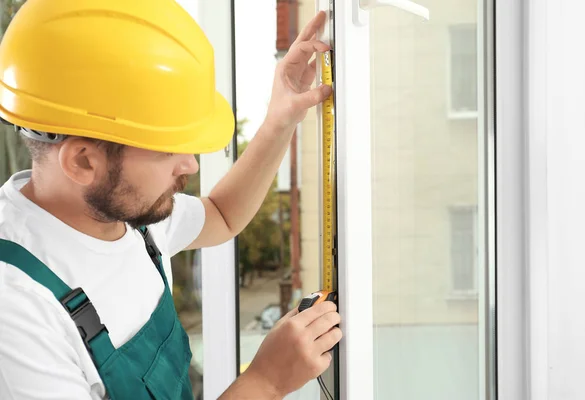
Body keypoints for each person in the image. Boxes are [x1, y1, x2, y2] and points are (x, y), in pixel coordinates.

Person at [0, 0, 342, 399]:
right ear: (82, 161)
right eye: (168, 148)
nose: (190, 166)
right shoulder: (17, 309)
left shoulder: (121, 212)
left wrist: (281, 117)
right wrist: (265, 381)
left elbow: (221, 215)